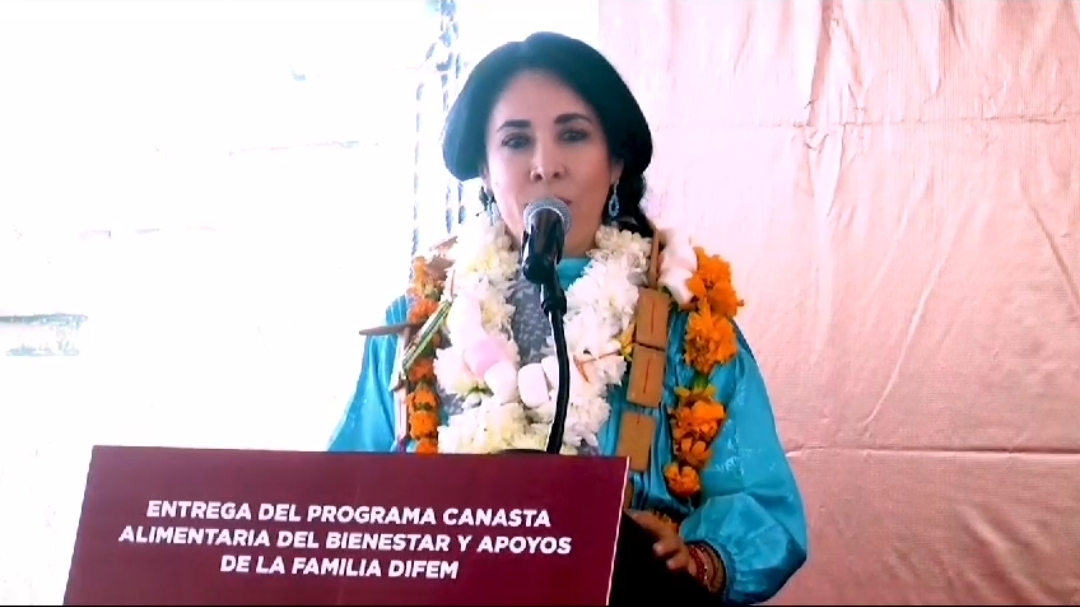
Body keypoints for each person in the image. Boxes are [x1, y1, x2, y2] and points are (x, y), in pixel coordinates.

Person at [329, 31, 808, 604]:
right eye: (516, 141)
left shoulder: (689, 325)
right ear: (485, 169)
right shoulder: (419, 327)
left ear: (616, 164)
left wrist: (702, 558)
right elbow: (343, 500)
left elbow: (767, 508)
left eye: (573, 135)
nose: (545, 166)